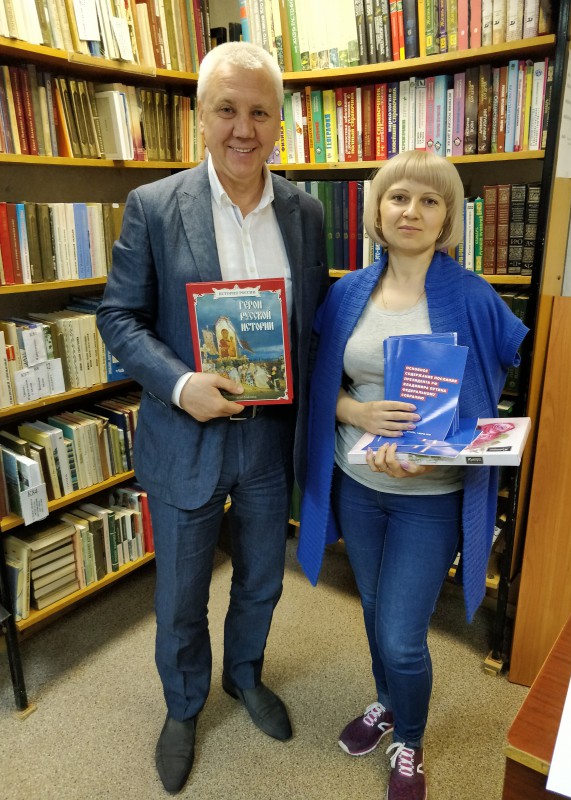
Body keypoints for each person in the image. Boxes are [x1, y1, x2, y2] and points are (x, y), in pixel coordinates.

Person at [97, 41, 328, 795]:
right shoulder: (155, 206)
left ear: (279, 123)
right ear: (200, 116)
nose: (243, 129)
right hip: (186, 435)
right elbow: (119, 317)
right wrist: (179, 382)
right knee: (180, 596)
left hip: (268, 440)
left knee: (261, 580)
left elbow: (315, 322)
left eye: (260, 112)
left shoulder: (305, 212)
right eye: (227, 109)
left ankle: (245, 675)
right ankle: (183, 704)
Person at [296, 150, 528, 800]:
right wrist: (355, 410)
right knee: (375, 613)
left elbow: (506, 386)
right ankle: (386, 702)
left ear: (447, 217)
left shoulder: (473, 297)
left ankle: (410, 739)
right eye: (399, 197)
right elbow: (322, 381)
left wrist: (445, 447)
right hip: (359, 487)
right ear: (377, 209)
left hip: (431, 498)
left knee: (402, 637)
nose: (411, 212)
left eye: (430, 201)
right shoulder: (347, 292)